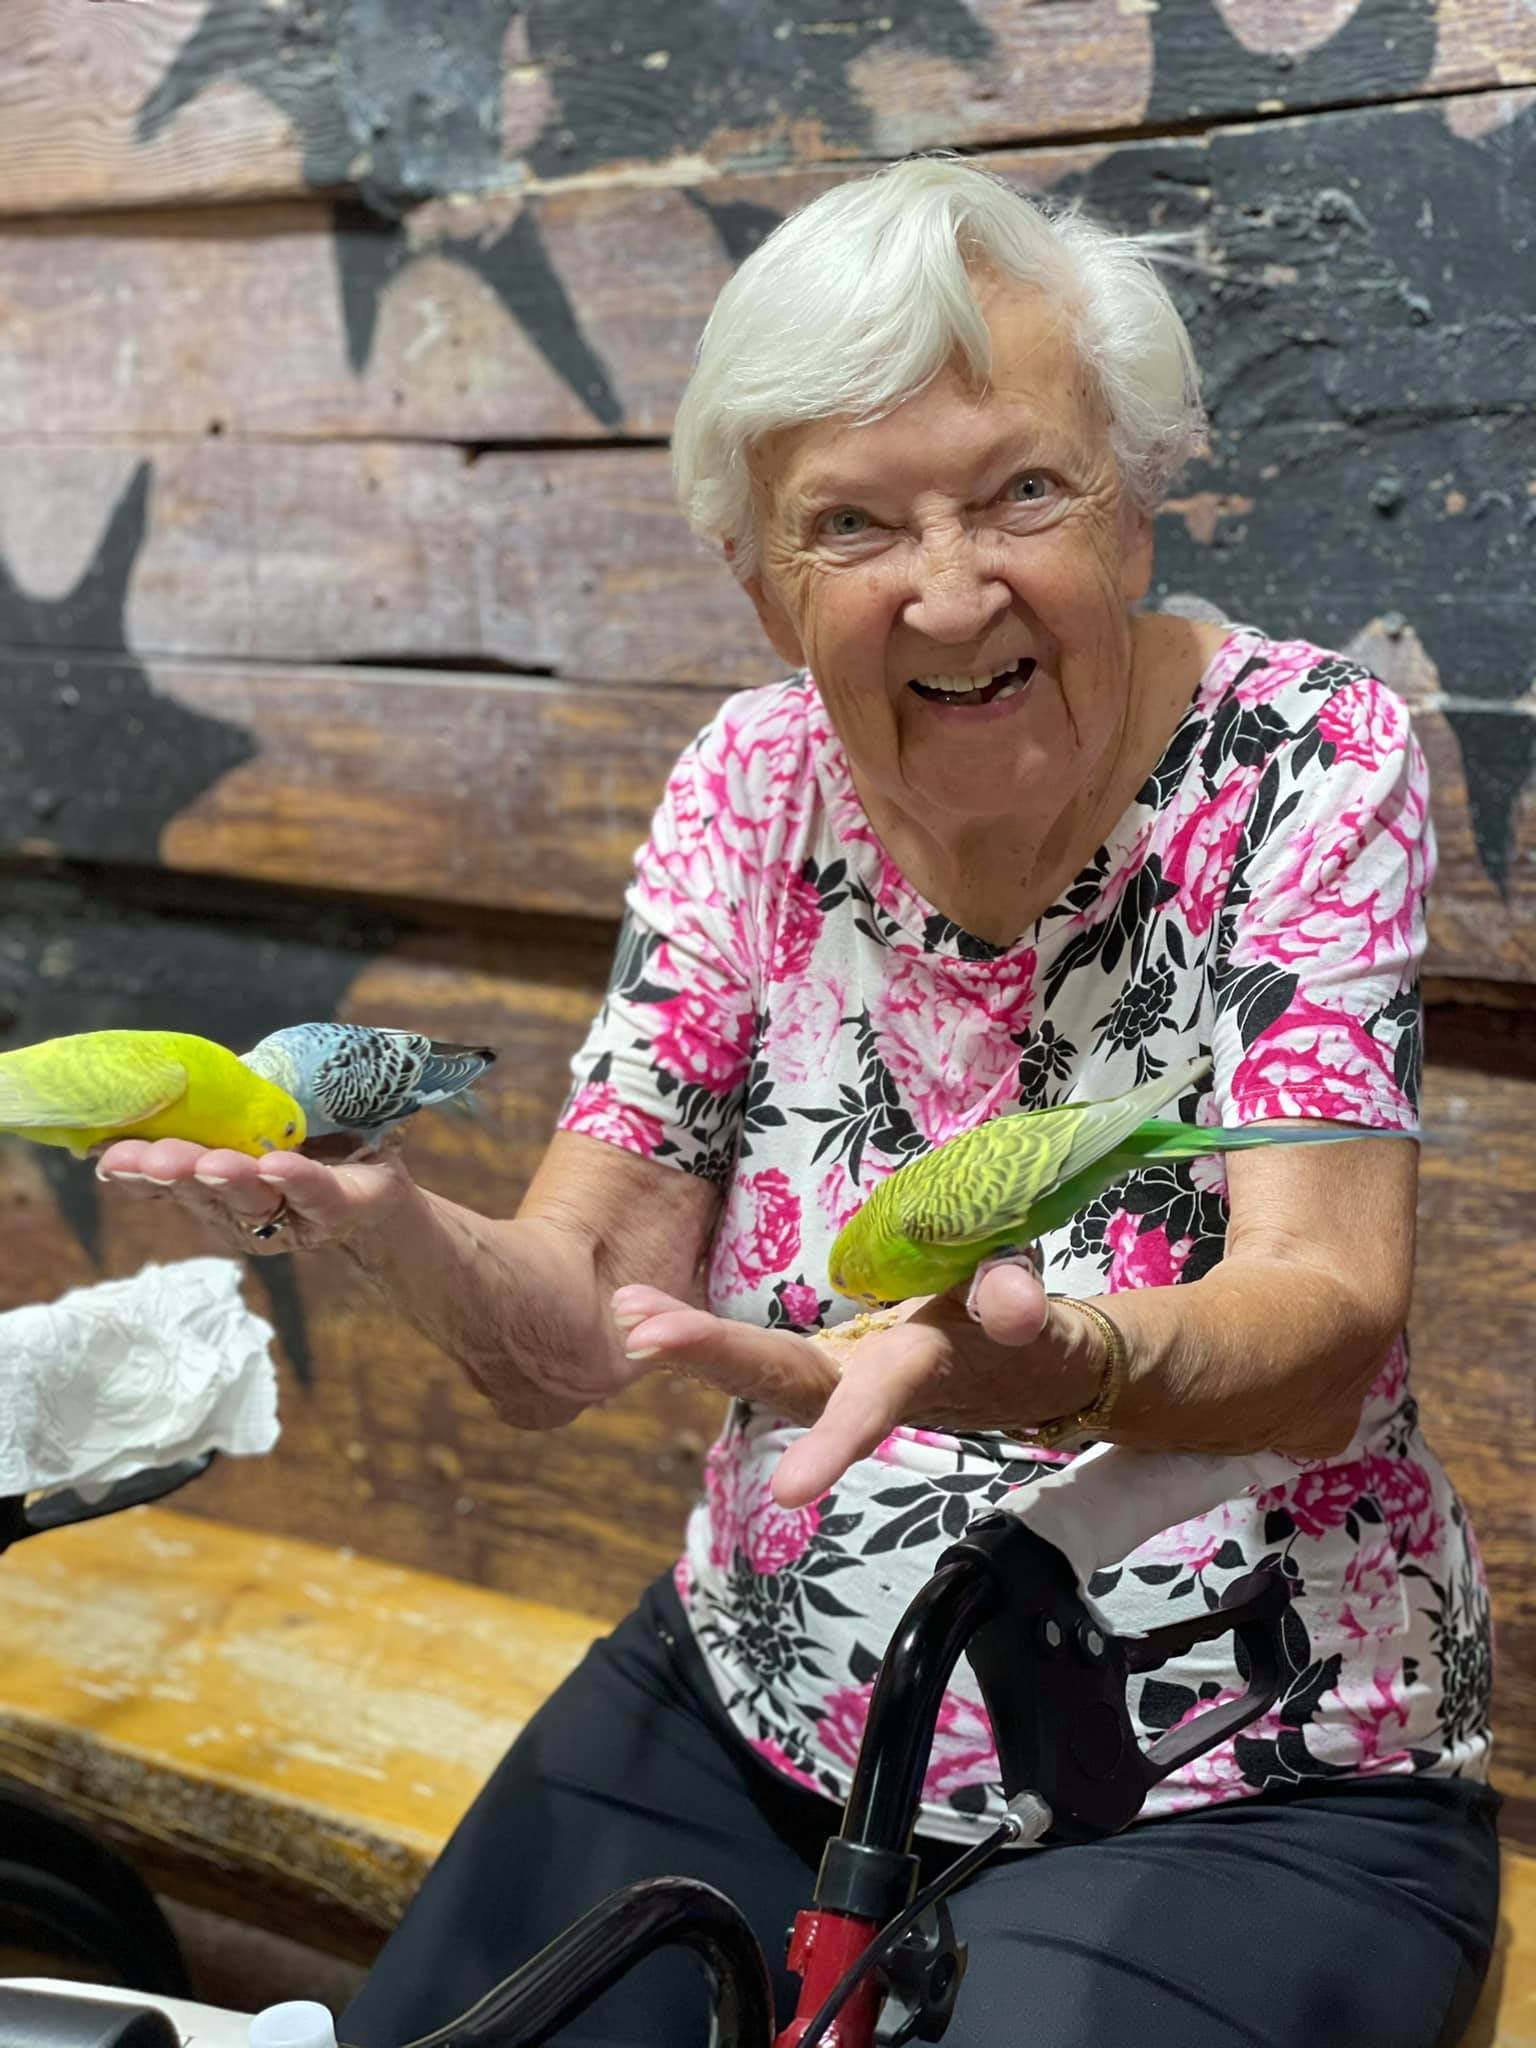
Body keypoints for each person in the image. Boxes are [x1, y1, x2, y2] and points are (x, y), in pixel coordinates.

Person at [99, 158, 1497, 2046]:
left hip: (1241, 1776)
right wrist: (404, 1237)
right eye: (853, 524)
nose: (951, 589)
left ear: (1138, 499)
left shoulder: (1301, 761)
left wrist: (1053, 1356)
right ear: (763, 585)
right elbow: (588, 1314)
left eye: (1021, 490)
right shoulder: (753, 786)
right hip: (766, 1706)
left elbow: (1323, 1324)